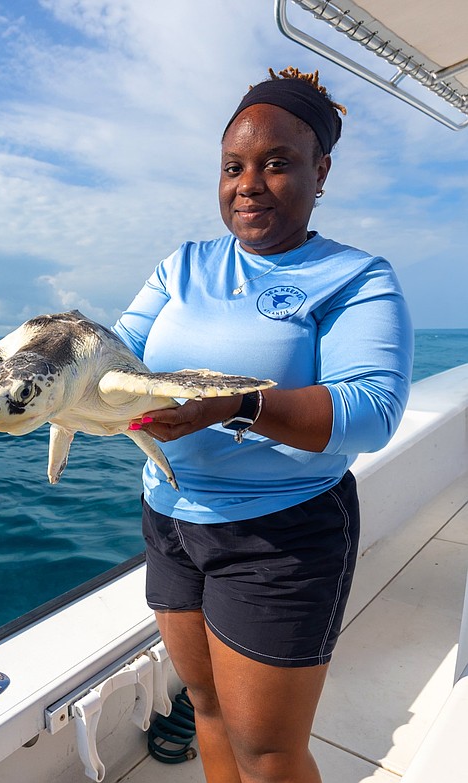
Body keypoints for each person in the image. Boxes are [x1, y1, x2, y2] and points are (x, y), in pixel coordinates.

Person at [113, 67, 413, 783]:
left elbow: (372, 410)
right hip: (170, 517)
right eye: (233, 167)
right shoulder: (182, 266)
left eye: (276, 163)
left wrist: (235, 404)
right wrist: (58, 364)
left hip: (281, 533)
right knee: (208, 706)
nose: (248, 184)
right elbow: (118, 353)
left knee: (268, 752)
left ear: (320, 171)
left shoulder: (355, 276)